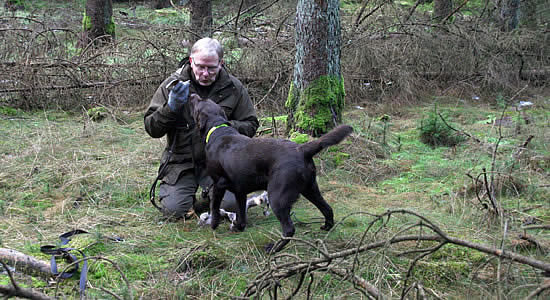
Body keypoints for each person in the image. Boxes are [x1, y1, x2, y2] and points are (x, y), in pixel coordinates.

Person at [144, 37, 259, 220]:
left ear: (221, 64)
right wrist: (170, 108)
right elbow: (152, 127)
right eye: (200, 67)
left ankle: (213, 194)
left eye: (211, 68)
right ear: (191, 61)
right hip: (181, 162)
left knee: (232, 207)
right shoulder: (172, 86)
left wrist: (224, 128)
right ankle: (189, 196)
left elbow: (251, 124)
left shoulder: (233, 88)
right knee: (174, 211)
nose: (205, 73)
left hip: (221, 162)